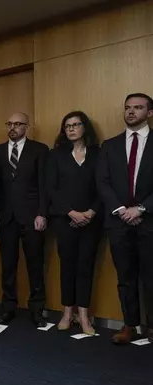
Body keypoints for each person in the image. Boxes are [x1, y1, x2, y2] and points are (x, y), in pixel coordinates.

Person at [97, 93, 153, 345]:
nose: (131, 112)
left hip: (149, 220)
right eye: (128, 108)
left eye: (138, 108)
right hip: (118, 222)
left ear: (149, 113)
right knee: (125, 277)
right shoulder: (109, 145)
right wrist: (122, 210)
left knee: (151, 276)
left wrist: (140, 209)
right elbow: (102, 182)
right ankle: (129, 325)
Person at [46, 111, 102, 335]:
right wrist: (70, 212)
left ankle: (84, 316)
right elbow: (52, 188)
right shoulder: (56, 155)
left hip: (92, 219)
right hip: (64, 219)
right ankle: (67, 313)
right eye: (67, 125)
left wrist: (91, 212)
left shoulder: (99, 154)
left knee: (85, 266)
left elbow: (105, 185)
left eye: (75, 124)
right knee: (67, 266)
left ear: (84, 127)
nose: (70, 129)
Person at [0, 113, 50, 328]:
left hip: (32, 216)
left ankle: (37, 309)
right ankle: (8, 307)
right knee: (8, 265)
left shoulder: (39, 149)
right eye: (9, 123)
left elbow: (44, 184)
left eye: (18, 124)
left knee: (35, 264)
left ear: (27, 127)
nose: (13, 127)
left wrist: (42, 213)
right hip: (6, 217)